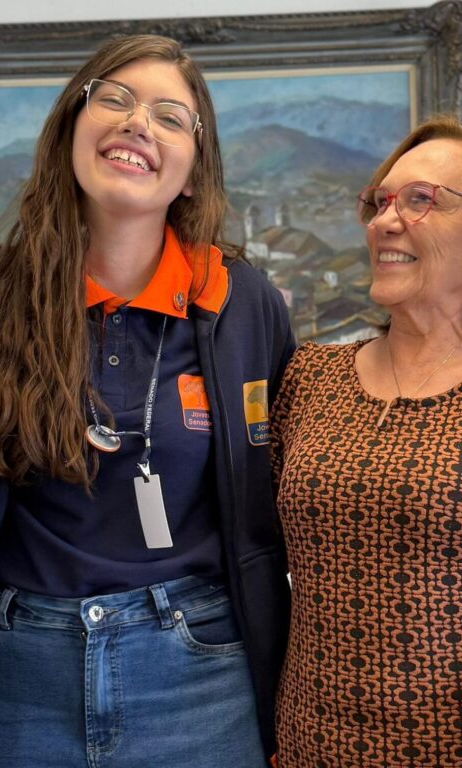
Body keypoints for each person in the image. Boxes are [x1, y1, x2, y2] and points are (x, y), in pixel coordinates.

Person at [0, 35, 293, 768]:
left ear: (195, 172)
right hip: (12, 671)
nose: (139, 122)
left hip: (197, 668)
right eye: (115, 98)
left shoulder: (243, 302)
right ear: (68, 129)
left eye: (171, 117)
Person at [271, 114, 462, 766]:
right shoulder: (311, 378)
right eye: (380, 202)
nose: (384, 221)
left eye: (420, 201)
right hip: (307, 743)